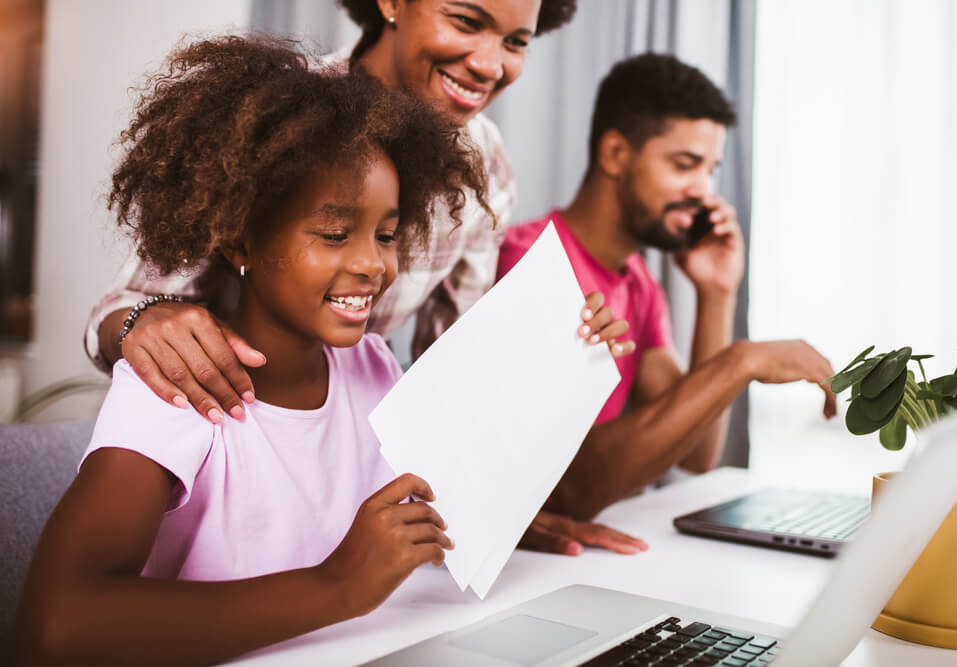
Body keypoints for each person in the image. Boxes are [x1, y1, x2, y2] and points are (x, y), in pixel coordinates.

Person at [80, 0, 647, 557]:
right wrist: (140, 321)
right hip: (226, 443)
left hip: (344, 463)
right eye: (466, 21)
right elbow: (122, 306)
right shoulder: (274, 115)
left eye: (515, 42)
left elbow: (450, 373)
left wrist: (555, 360)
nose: (489, 64)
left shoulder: (484, 165)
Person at [15, 37, 502, 664]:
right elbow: (53, 627)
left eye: (386, 234)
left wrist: (570, 350)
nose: (371, 264)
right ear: (240, 241)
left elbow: (452, 502)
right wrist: (337, 586)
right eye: (333, 233)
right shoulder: (177, 384)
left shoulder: (373, 367)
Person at [498, 53, 839, 521]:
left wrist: (717, 293)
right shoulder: (528, 262)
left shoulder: (639, 285)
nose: (703, 189)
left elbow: (696, 454)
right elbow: (573, 487)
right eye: (685, 164)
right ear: (615, 154)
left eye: (710, 170)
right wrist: (743, 360)